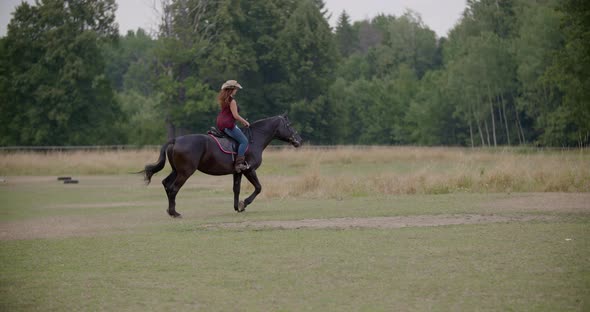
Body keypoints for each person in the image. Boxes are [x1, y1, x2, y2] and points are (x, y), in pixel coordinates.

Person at [216, 80, 250, 172]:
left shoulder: (224, 99)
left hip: (220, 123)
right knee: (244, 141)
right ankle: (239, 164)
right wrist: (245, 122)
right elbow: (235, 116)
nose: (237, 90)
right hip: (228, 124)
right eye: (236, 88)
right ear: (231, 89)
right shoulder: (232, 101)